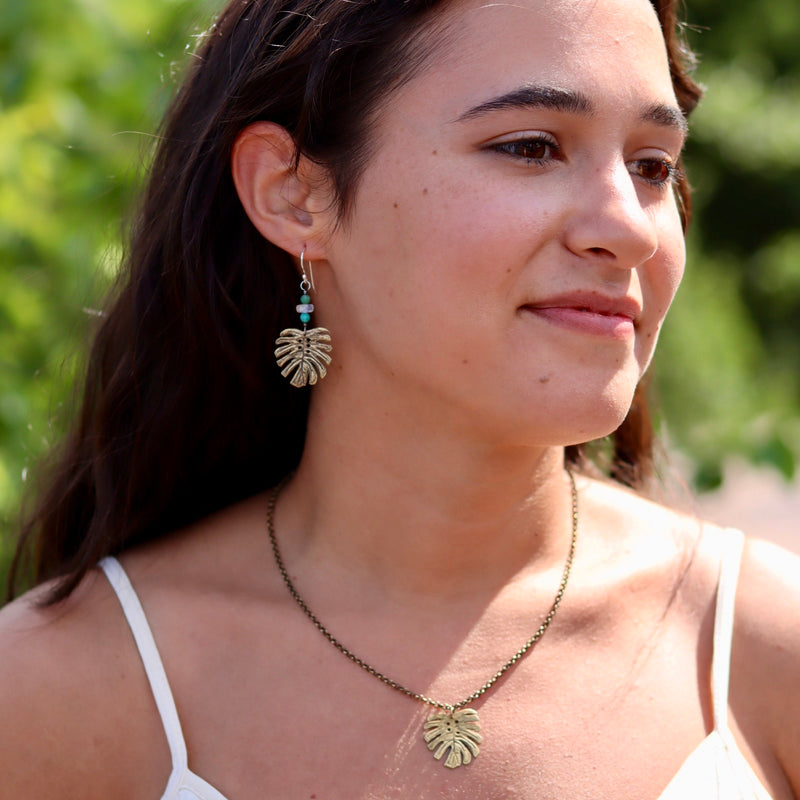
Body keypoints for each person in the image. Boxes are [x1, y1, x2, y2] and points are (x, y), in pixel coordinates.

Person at [1, 0, 798, 797]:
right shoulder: (61, 692)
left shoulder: (765, 652)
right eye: (530, 146)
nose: (630, 228)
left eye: (653, 165)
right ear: (293, 193)